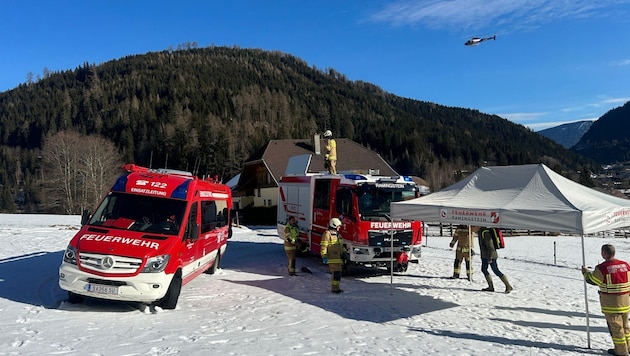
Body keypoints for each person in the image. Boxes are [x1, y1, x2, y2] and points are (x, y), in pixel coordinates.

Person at [583, 244, 630, 356]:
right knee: (625, 327)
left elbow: (593, 280)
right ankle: (628, 347)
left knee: (616, 329)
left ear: (604, 253)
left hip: (611, 304)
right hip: (625, 302)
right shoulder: (625, 265)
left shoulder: (602, 268)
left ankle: (621, 352)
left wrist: (585, 272)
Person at [478, 226, 513, 293]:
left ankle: (508, 286)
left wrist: (490, 257)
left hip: (491, 256)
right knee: (484, 269)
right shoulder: (481, 232)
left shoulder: (485, 233)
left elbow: (491, 247)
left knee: (495, 270)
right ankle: (490, 287)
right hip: (485, 255)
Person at [321, 217, 345, 293]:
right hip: (332, 258)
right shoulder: (327, 234)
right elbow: (324, 245)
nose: (339, 228)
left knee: (338, 273)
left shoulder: (338, 235)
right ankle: (334, 289)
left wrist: (344, 253)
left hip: (338, 258)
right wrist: (324, 256)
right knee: (335, 273)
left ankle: (336, 287)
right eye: (338, 226)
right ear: (334, 225)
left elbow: (341, 245)